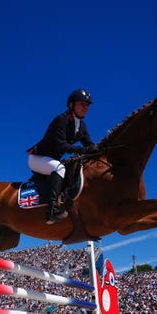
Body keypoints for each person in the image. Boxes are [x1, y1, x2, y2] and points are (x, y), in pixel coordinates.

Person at [27, 89, 99, 224]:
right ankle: (52, 211)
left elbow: (89, 144)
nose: (85, 107)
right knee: (59, 168)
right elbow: (61, 146)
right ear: (72, 105)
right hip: (37, 158)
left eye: (87, 104)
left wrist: (98, 149)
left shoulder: (82, 126)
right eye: (82, 104)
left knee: (69, 168)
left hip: (50, 159)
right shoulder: (62, 119)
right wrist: (83, 150)